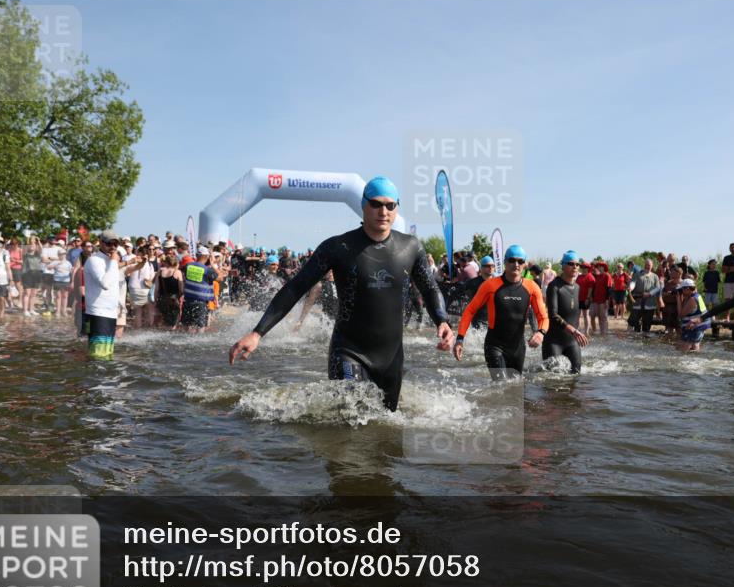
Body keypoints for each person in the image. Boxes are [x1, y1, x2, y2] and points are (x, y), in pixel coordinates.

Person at [230, 176, 453, 412]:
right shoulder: (338, 247)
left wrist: (442, 321)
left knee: (388, 433)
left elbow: (430, 288)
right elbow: (296, 287)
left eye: (390, 205)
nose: (383, 211)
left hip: (391, 358)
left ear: (397, 208)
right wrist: (257, 333)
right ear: (363, 205)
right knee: (354, 422)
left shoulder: (411, 247)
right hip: (349, 352)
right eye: (376, 204)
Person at [454, 244, 548, 380]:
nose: (516, 264)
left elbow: (543, 317)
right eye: (512, 260)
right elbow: (470, 311)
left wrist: (541, 332)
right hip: (494, 346)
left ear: (524, 264)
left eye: (520, 261)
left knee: (514, 389)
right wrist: (460, 339)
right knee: (501, 385)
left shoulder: (532, 287)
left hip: (518, 348)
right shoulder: (490, 285)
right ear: (504, 262)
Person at [541, 251, 589, 373]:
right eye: (571, 263)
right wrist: (573, 330)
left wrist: (576, 331)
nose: (575, 267)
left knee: (576, 375)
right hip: (554, 342)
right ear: (562, 265)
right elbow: (553, 315)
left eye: (577, 264)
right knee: (553, 380)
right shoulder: (554, 286)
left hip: (572, 341)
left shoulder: (577, 287)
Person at [83, 231, 122, 359]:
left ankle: (107, 379)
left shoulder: (110, 261)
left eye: (116, 244)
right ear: (100, 243)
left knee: (107, 354)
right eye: (109, 243)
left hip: (110, 312)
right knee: (98, 356)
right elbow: (104, 284)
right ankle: (94, 379)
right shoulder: (94, 260)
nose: (113, 247)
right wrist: (114, 262)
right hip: (97, 313)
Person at [180, 246, 218, 334]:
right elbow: (220, 277)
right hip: (200, 303)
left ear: (197, 255)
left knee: (186, 326)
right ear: (207, 257)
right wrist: (212, 264)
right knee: (200, 327)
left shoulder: (188, 266)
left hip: (188, 301)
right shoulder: (207, 270)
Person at [676, 278, 711, 353]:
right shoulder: (696, 295)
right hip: (698, 324)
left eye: (682, 289)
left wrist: (678, 299)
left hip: (697, 326)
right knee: (694, 346)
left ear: (687, 289)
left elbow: (681, 315)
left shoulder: (692, 299)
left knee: (683, 349)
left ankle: (687, 362)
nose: (681, 291)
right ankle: (695, 361)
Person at [630, 258, 662, 333]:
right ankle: (636, 340)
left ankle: (645, 341)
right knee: (635, 323)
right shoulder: (637, 274)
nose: (648, 266)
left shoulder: (655, 276)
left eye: (649, 265)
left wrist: (649, 294)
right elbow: (633, 283)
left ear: (652, 266)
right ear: (644, 265)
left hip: (649, 303)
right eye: (646, 265)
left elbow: (657, 288)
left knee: (647, 325)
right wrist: (630, 288)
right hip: (638, 301)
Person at [155, 254, 184, 329]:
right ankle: (171, 336)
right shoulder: (177, 272)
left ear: (166, 262)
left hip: (162, 299)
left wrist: (156, 299)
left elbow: (156, 288)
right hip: (173, 300)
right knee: (174, 322)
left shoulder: (160, 271)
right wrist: (180, 297)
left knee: (164, 319)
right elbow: (181, 289)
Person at [48, 248, 73, 317]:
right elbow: (48, 267)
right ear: (58, 255)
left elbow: (71, 271)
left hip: (66, 281)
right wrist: (57, 263)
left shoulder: (68, 263)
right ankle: (58, 311)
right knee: (58, 296)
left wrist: (72, 280)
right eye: (60, 254)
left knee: (65, 296)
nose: (62, 255)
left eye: (63, 254)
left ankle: (64, 311)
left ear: (65, 255)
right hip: (57, 281)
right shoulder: (56, 261)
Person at [589, 261, 612, 336]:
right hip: (596, 299)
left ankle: (605, 332)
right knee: (599, 316)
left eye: (600, 266)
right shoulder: (598, 276)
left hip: (603, 299)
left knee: (603, 317)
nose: (598, 267)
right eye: (598, 266)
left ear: (603, 267)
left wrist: (607, 300)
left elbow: (609, 289)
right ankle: (601, 332)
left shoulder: (607, 276)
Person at [21, 236, 43, 315]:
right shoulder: (25, 254)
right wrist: (29, 240)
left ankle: (31, 309)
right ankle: (25, 310)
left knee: (34, 293)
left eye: (34, 245)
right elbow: (24, 249)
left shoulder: (38, 254)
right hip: (27, 275)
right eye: (31, 244)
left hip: (36, 274)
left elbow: (41, 248)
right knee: (27, 293)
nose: (32, 246)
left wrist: (38, 240)